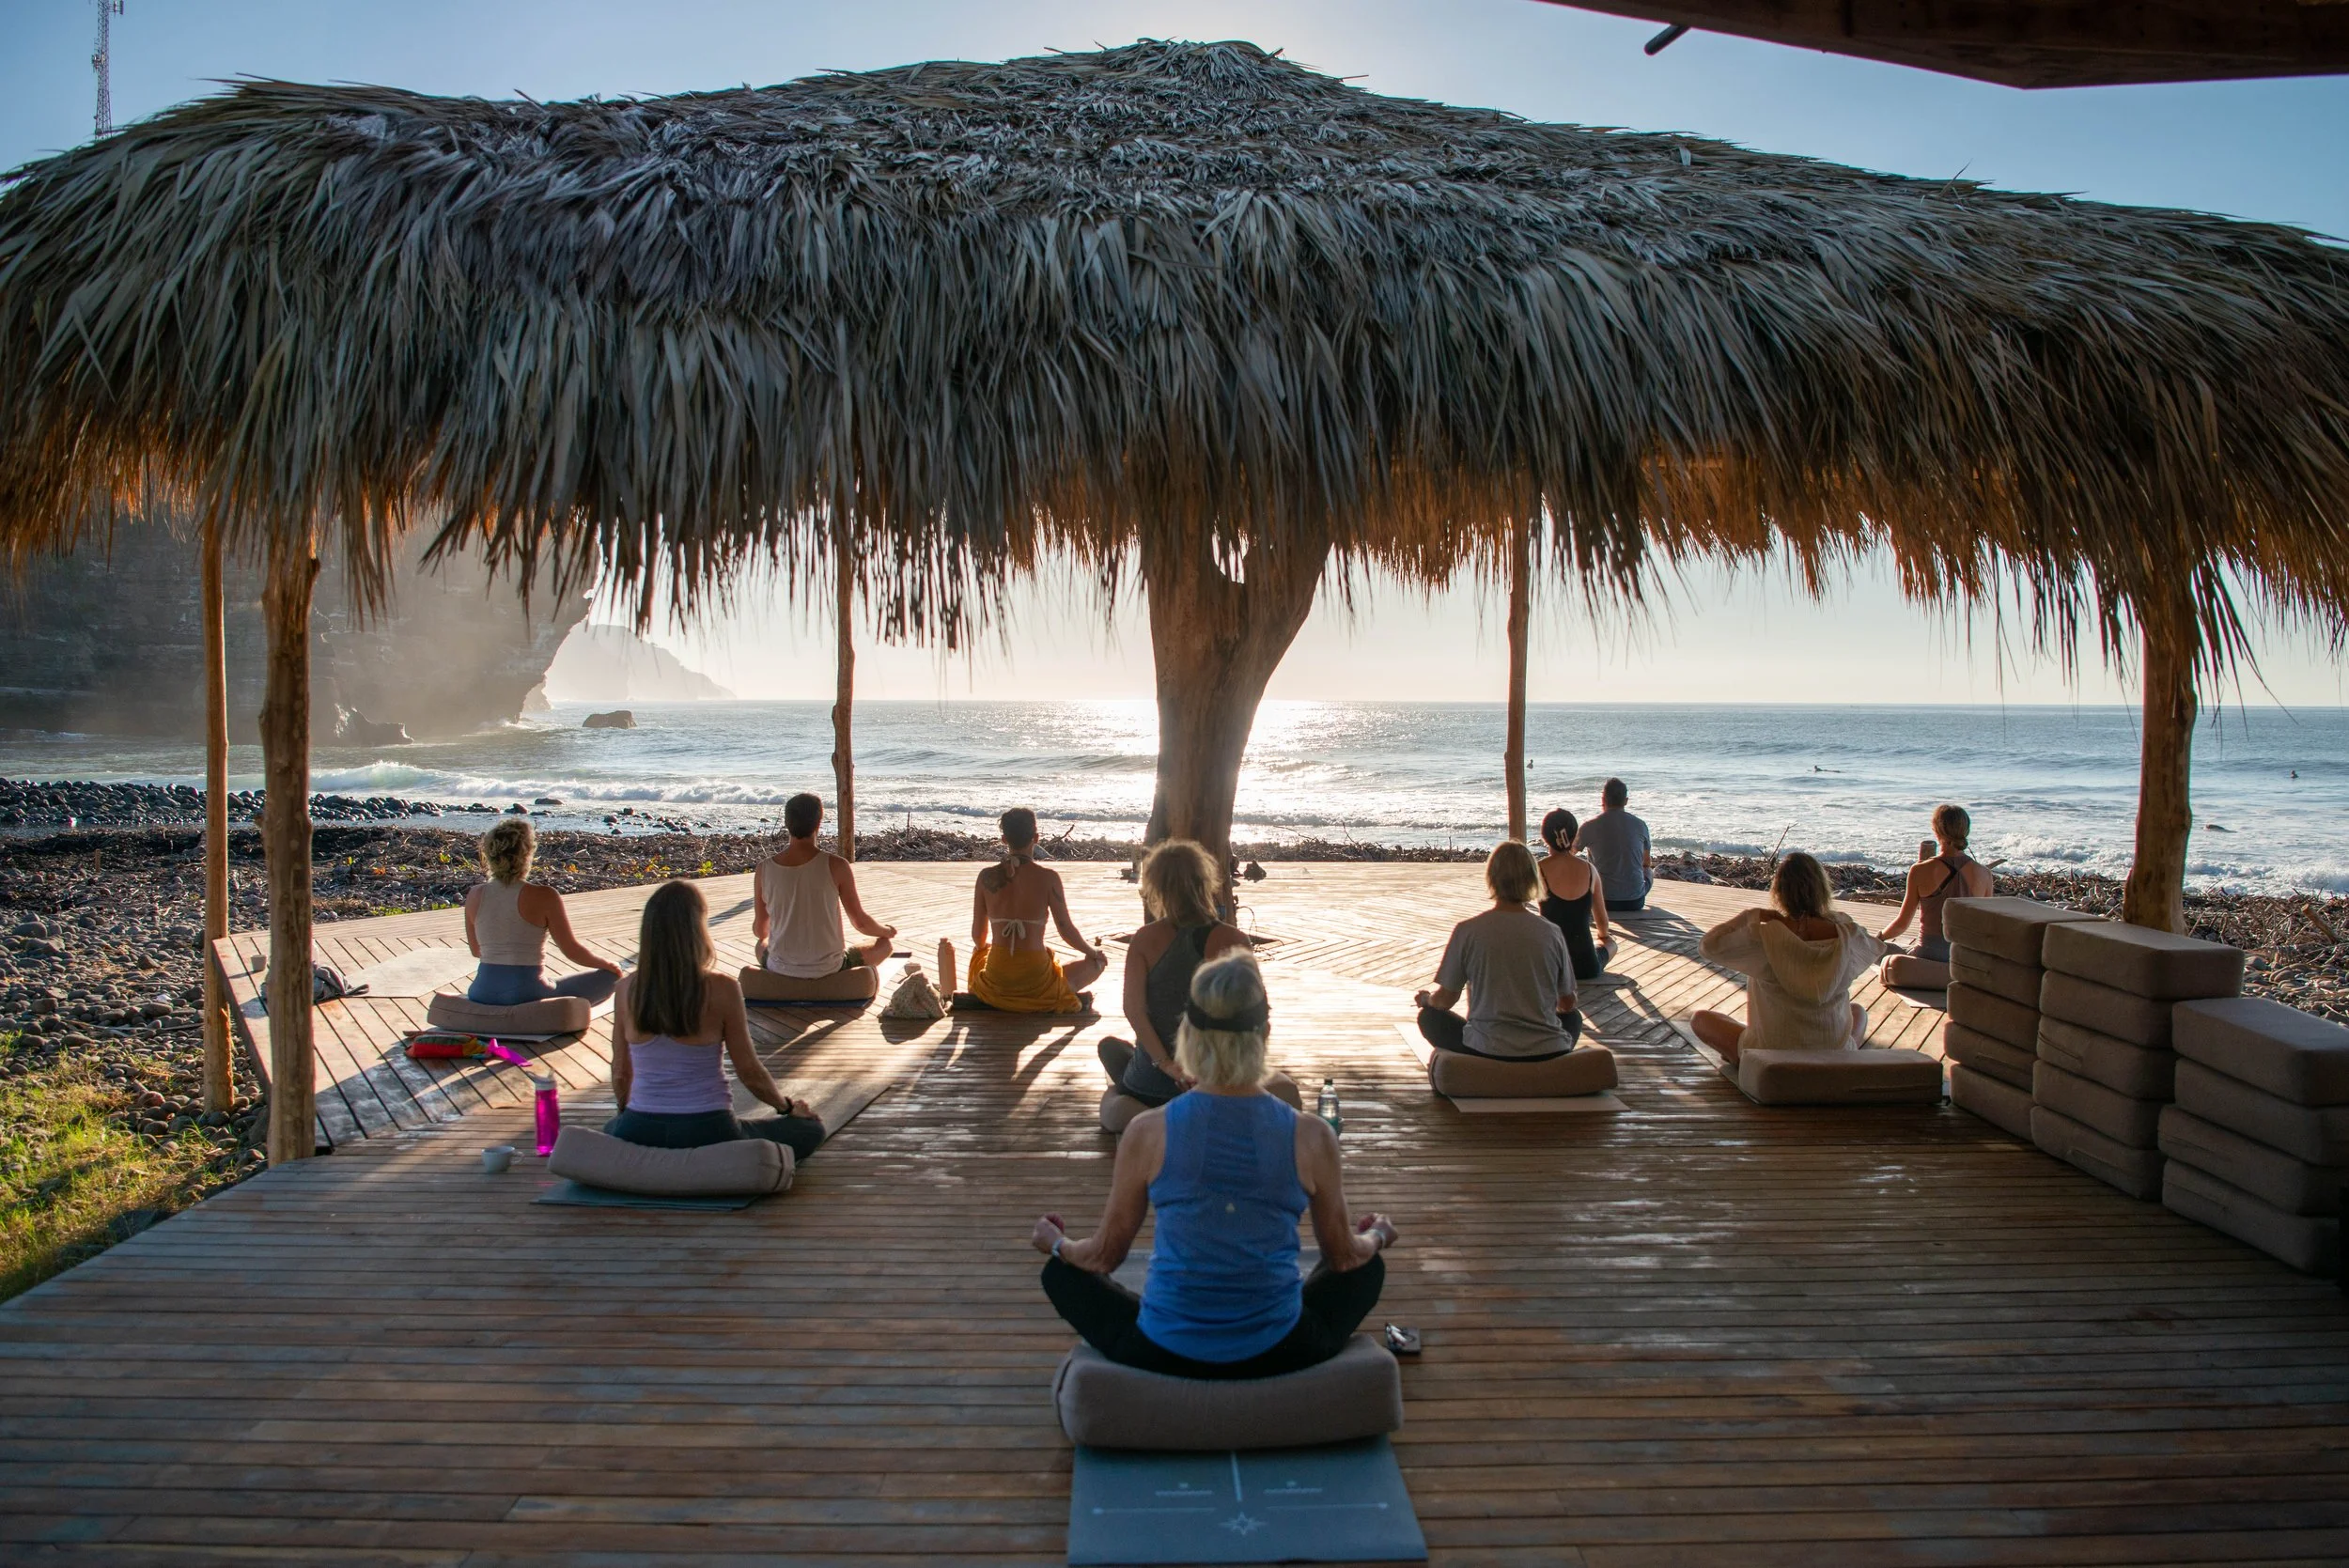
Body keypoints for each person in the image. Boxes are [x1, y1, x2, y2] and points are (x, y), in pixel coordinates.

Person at [1032, 951, 1397, 1378]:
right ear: (1265, 1032)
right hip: (1281, 1349)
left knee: (1061, 1274)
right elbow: (1344, 1257)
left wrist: (1056, 1243)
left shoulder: (1147, 1131)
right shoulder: (1313, 1135)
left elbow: (1103, 1256)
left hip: (1165, 1350)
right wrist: (1377, 1236)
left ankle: (1172, 1331)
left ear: (1188, 1034)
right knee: (1367, 1267)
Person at [606, 879, 826, 1160]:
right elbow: (749, 1071)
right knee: (810, 1130)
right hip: (709, 1129)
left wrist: (628, 1118)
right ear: (698, 929)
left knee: (612, 1128)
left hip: (642, 1127)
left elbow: (621, 1072)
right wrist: (787, 1108)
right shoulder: (722, 988)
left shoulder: (625, 989)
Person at [1097, 839, 1302, 1120]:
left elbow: (1134, 1011)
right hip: (1225, 1083)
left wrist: (1169, 1066)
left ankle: (1145, 1112)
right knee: (1286, 1089)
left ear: (1156, 888)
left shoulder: (1144, 940)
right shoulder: (1236, 939)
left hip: (1157, 1085)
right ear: (1207, 881)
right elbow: (1260, 1016)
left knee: (1113, 1084)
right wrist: (1237, 1071)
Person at [1691, 852, 1888, 1065]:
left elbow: (1707, 946)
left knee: (1700, 1019)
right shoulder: (1849, 937)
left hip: (1770, 1058)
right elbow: (1876, 947)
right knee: (1858, 1012)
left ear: (1779, 892)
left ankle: (1742, 1059)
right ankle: (1843, 1058)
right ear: (1822, 890)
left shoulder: (1763, 937)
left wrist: (1750, 916)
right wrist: (1838, 921)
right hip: (1832, 1056)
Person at [1414, 841, 1582, 1062]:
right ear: (1533, 880)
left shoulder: (1468, 930)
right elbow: (1568, 1003)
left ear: (1491, 878)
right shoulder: (1552, 932)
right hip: (1547, 1050)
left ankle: (1488, 1067)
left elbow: (1446, 999)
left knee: (1429, 1017)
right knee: (1574, 1018)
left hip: (1486, 1050)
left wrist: (1427, 1000)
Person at [950, 808, 1109, 1011]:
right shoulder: (1049, 878)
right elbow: (1066, 930)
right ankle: (1049, 995)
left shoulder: (986, 877)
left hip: (998, 977)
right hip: (1037, 978)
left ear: (1004, 839)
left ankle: (1000, 996)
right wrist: (1092, 952)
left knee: (979, 955)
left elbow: (978, 937)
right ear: (1036, 837)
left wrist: (987, 950)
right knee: (1095, 964)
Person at [747, 792, 898, 1001]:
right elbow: (861, 923)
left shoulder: (763, 869)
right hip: (830, 968)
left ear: (787, 823)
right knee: (885, 946)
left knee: (760, 945)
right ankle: (827, 983)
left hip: (780, 968)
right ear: (819, 823)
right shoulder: (837, 865)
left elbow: (760, 931)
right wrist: (886, 931)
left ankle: (791, 983)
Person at [462, 817, 623, 1006]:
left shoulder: (474, 894)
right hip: (527, 994)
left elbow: (476, 951)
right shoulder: (544, 895)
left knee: (549, 982)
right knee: (610, 978)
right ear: (527, 854)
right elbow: (572, 951)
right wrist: (608, 965)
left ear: (489, 854)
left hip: (482, 992)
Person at [1877, 804, 1994, 987]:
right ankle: (1952, 978)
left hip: (1927, 958)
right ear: (1966, 830)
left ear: (1936, 830)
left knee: (1882, 952)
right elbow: (1987, 929)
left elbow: (1901, 924)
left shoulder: (1920, 870)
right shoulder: (1984, 874)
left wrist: (1878, 938)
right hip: (1963, 961)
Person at [1536, 808, 1615, 982]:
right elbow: (1602, 923)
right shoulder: (1590, 870)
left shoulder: (1538, 869)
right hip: (1585, 966)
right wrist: (1603, 936)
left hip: (1551, 966)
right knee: (1611, 944)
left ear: (1544, 837)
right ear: (1574, 836)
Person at [1573, 778, 1654, 912]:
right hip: (1635, 901)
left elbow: (1569, 855)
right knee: (1648, 870)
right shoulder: (1640, 824)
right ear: (1626, 801)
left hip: (1600, 901)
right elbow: (1646, 862)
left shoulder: (1589, 826)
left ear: (1603, 799)